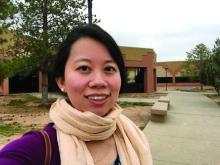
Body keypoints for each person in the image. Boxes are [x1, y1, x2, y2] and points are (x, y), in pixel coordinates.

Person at [0, 24, 152, 165]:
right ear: (62, 82)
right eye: (84, 68)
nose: (99, 82)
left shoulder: (132, 136)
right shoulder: (37, 147)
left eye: (109, 68)